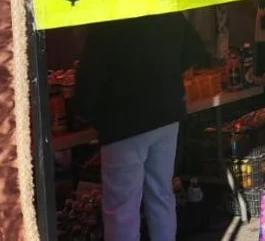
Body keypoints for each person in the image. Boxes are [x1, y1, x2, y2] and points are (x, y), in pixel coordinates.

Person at [76, 13, 208, 241]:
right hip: (166, 112)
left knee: (122, 210)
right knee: (161, 195)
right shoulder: (164, 8)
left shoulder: (107, 17)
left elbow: (88, 80)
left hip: (123, 120)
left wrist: (89, 114)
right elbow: (195, 49)